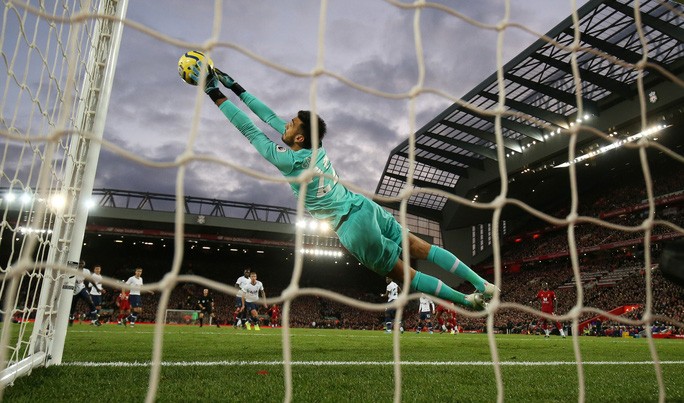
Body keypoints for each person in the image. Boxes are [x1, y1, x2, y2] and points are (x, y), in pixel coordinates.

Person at [189, 64, 498, 310]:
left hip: (351, 227)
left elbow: (250, 129)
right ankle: (482, 284)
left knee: (407, 275)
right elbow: (267, 116)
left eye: (290, 124)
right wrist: (235, 86)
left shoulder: (289, 162)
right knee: (421, 247)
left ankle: (466, 302)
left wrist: (214, 94)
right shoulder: (316, 147)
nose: (283, 123)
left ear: (299, 137)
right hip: (364, 206)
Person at [69, 260, 101, 326]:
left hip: (82, 287)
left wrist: (97, 288)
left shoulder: (86, 271)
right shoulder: (73, 270)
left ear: (84, 264)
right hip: (74, 289)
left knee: (90, 302)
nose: (81, 265)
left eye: (82, 263)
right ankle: (71, 317)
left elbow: (91, 280)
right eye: (80, 263)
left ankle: (94, 320)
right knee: (73, 306)